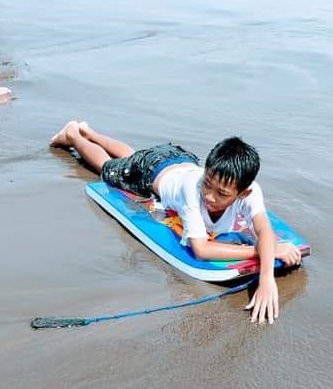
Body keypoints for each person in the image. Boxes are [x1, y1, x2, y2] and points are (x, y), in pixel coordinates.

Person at [49, 123, 302, 323]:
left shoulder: (251, 192)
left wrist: (267, 278)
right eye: (208, 185)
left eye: (222, 194)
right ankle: (75, 136)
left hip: (176, 160)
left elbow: (264, 230)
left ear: (244, 192)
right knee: (108, 168)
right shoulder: (193, 190)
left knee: (132, 158)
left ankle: (90, 131)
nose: (210, 196)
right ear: (206, 172)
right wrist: (263, 252)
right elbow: (201, 250)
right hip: (151, 171)